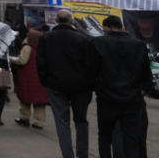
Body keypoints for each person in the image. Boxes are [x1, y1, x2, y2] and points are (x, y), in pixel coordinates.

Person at [89, 15, 155, 158]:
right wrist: (144, 90)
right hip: (132, 100)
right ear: (120, 27)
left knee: (105, 137)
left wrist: (97, 88)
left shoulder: (98, 43)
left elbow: (91, 71)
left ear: (106, 27)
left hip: (107, 99)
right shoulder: (138, 44)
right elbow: (146, 73)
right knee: (131, 138)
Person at [36, 9, 94, 158]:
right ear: (71, 21)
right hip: (80, 87)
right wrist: (89, 84)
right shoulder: (83, 39)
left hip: (55, 86)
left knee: (62, 123)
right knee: (81, 121)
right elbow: (89, 65)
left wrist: (46, 81)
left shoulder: (46, 38)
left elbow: (41, 63)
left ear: (56, 21)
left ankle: (67, 155)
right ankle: (82, 154)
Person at [10, 29, 47, 129]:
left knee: (25, 98)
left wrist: (12, 59)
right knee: (39, 102)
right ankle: (38, 122)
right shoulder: (43, 47)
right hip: (40, 77)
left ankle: (24, 118)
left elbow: (22, 60)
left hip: (27, 77)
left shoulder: (27, 47)